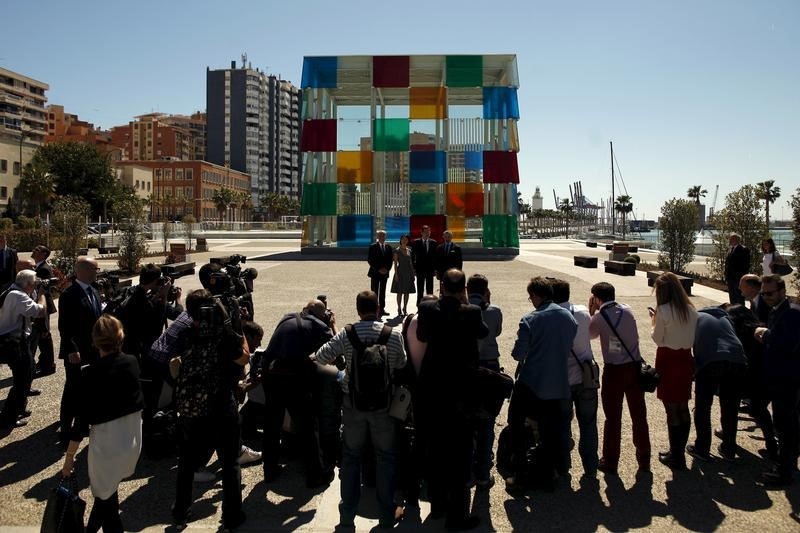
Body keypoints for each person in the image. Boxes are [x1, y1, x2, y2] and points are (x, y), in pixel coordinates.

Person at [314, 290, 407, 530]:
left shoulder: (347, 333)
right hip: (383, 407)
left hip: (354, 405)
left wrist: (345, 370)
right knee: (385, 458)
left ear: (358, 310)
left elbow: (321, 358)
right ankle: (386, 514)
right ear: (378, 308)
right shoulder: (393, 335)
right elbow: (401, 364)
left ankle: (347, 517)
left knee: (351, 458)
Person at [416, 269, 487, 530]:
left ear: (442, 286)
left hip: (432, 387)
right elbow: (483, 333)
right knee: (459, 453)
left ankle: (437, 506)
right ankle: (457, 515)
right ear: (463, 288)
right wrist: (466, 302)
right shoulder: (471, 312)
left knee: (435, 449)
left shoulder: (427, 309)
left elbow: (422, 336)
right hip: (461, 389)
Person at [172, 289, 248, 529]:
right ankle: (232, 514)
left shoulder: (184, 333)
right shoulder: (223, 336)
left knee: (186, 461)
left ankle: (181, 510)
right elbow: (244, 358)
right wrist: (236, 327)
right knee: (229, 462)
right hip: (221, 405)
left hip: (192, 407)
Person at [60, 315, 144, 533]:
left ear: (95, 341)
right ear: (121, 337)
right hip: (131, 443)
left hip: (106, 449)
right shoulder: (132, 363)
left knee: (107, 503)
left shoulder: (89, 374)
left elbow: (80, 424)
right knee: (107, 498)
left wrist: (69, 458)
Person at [506, 277, 576, 492]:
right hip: (559, 383)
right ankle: (548, 474)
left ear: (536, 295)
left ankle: (520, 473)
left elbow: (519, 354)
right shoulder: (569, 318)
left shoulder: (530, 319)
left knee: (516, 424)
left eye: (531, 297)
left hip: (532, 382)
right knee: (550, 432)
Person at [261, 299, 336, 486]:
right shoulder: (320, 326)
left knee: (272, 425)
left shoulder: (288, 317)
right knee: (307, 428)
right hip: (294, 381)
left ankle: (269, 470)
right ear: (322, 314)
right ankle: (315, 473)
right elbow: (336, 352)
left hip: (270, 375)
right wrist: (332, 324)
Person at [588, 282, 651, 475]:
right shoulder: (627, 309)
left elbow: (590, 334)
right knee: (639, 415)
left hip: (614, 371)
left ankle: (610, 460)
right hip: (634, 367)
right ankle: (644, 459)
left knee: (613, 418)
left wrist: (592, 312)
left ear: (597, 299)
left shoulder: (599, 317)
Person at [754, 275, 800, 486]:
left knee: (785, 424)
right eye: (763, 294)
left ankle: (785, 471)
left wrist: (764, 334)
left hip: (787, 377)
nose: (766, 297)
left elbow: (786, 344)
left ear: (782, 290)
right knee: (785, 422)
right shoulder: (779, 310)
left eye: (769, 293)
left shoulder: (790, 312)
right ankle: (785, 461)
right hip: (779, 375)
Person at [687, 306, 748, 462]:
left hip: (711, 361)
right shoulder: (726, 319)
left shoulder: (695, 317)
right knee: (730, 407)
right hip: (737, 359)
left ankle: (702, 448)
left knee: (703, 406)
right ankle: (729, 448)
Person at [650, 272, 699, 469]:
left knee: (671, 408)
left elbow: (657, 339)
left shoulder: (663, 310)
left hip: (668, 358)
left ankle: (675, 454)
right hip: (685, 358)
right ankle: (679, 452)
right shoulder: (691, 310)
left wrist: (654, 321)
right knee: (682, 405)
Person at [552, 279, 599, 477]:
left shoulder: (550, 317)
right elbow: (590, 335)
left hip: (562, 380)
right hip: (586, 377)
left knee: (562, 423)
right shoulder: (582, 312)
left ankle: (564, 466)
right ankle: (590, 467)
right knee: (588, 423)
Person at [57, 256, 102, 443]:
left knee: (89, 388)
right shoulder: (69, 294)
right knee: (73, 390)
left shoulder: (94, 290)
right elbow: (64, 327)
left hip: (93, 349)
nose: (96, 273)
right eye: (94, 269)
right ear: (82, 271)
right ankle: (65, 430)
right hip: (76, 351)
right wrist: (71, 350)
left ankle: (83, 424)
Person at [467, 273, 503, 488]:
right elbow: (496, 332)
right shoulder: (494, 310)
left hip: (468, 366)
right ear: (486, 289)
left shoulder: (460, 310)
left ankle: (468, 469)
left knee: (467, 419)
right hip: (490, 364)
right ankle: (483, 472)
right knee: (487, 420)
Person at [0, 269, 46, 428]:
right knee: (23, 378)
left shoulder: (10, 289)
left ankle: (18, 407)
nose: (35, 287)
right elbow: (38, 311)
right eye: (34, 284)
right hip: (14, 341)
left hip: (12, 339)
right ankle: (8, 417)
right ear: (27, 284)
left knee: (28, 372)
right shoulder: (18, 295)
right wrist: (42, 296)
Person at [31, 245, 56, 377]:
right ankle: (44, 362)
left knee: (44, 336)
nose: (34, 251)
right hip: (38, 306)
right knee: (41, 336)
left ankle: (48, 365)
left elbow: (44, 290)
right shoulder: (37, 267)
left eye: (37, 250)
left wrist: (39, 307)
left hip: (42, 306)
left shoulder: (44, 269)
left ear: (44, 254)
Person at [367, 230, 393, 317]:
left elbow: (390, 260)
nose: (382, 237)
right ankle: (373, 310)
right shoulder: (372, 246)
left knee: (382, 292)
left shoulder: (388, 247)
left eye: (384, 235)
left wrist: (387, 269)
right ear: (377, 237)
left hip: (385, 273)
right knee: (374, 292)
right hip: (375, 273)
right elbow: (370, 260)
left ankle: (381, 309)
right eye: (380, 235)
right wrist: (379, 269)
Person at [410, 225, 437, 305]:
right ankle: (419, 304)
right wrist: (414, 269)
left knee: (430, 289)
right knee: (420, 289)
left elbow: (435, 257)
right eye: (425, 232)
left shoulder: (433, 242)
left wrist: (435, 269)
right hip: (419, 269)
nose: (427, 233)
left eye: (428, 231)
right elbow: (412, 256)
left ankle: (430, 304)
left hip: (430, 270)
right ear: (421, 232)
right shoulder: (416, 242)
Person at [390, 234, 415, 316]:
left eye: (406, 239)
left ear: (408, 241)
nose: (404, 241)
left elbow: (411, 263)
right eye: (403, 239)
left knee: (407, 292)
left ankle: (405, 308)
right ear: (400, 240)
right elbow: (395, 263)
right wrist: (396, 275)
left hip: (408, 273)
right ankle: (399, 308)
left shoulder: (409, 250)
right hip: (400, 272)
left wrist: (413, 273)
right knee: (399, 292)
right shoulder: (396, 250)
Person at [725, 233, 750, 304]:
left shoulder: (743, 249)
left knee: (739, 298)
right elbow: (727, 264)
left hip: (738, 278)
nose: (729, 240)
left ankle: (740, 313)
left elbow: (745, 265)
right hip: (730, 278)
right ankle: (733, 312)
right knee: (732, 297)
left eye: (731, 239)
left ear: (736, 239)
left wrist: (741, 277)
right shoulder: (730, 249)